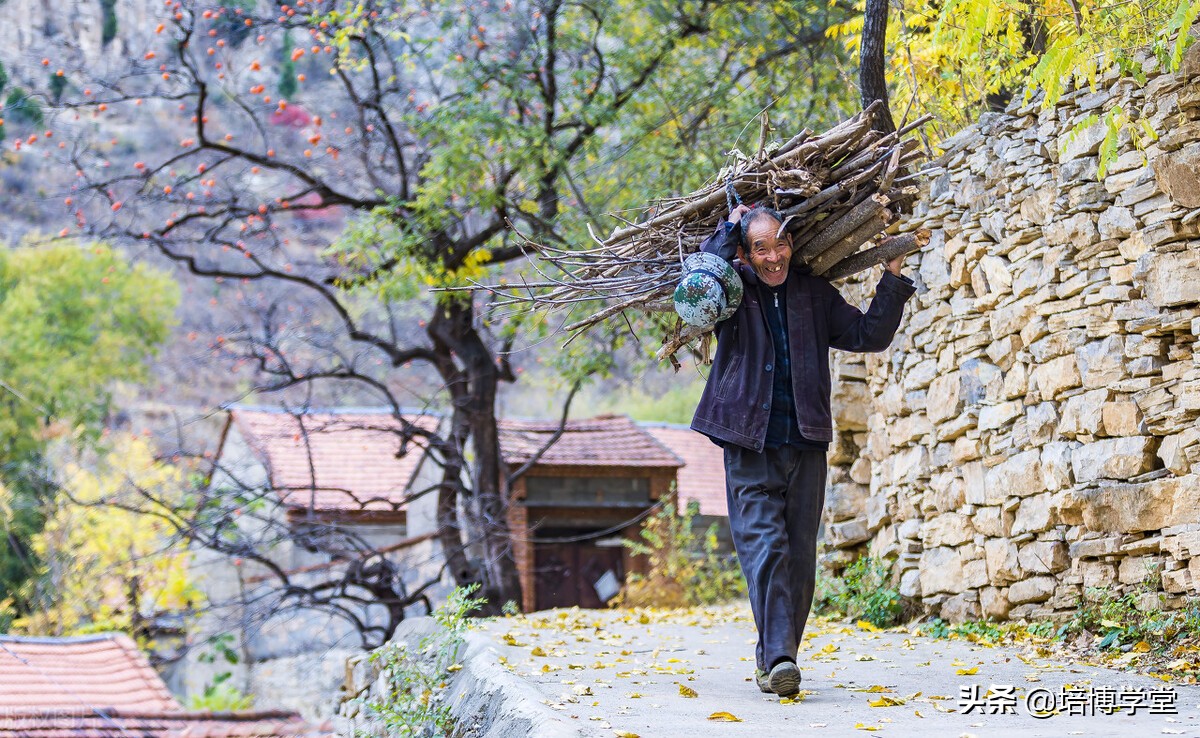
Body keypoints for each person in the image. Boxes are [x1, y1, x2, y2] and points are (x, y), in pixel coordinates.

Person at [689, 202, 916, 697]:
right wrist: (729, 228)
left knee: (798, 558)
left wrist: (892, 277)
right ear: (745, 256)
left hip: (805, 441)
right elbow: (697, 289)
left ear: (793, 243)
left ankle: (772, 659)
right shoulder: (729, 293)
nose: (774, 257)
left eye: (781, 243)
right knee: (765, 548)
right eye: (761, 248)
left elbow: (869, 335)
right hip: (749, 442)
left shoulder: (814, 295)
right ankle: (781, 658)